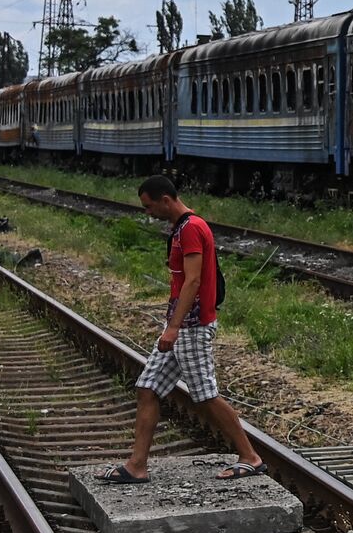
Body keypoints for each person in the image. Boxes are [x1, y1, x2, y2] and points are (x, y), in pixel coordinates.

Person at [96, 174, 263, 483]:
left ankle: (250, 456)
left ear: (166, 201)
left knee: (206, 396)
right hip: (178, 327)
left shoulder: (191, 229)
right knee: (147, 388)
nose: (148, 213)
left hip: (192, 328)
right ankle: (137, 466)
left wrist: (173, 328)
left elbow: (194, 280)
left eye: (149, 207)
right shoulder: (182, 227)